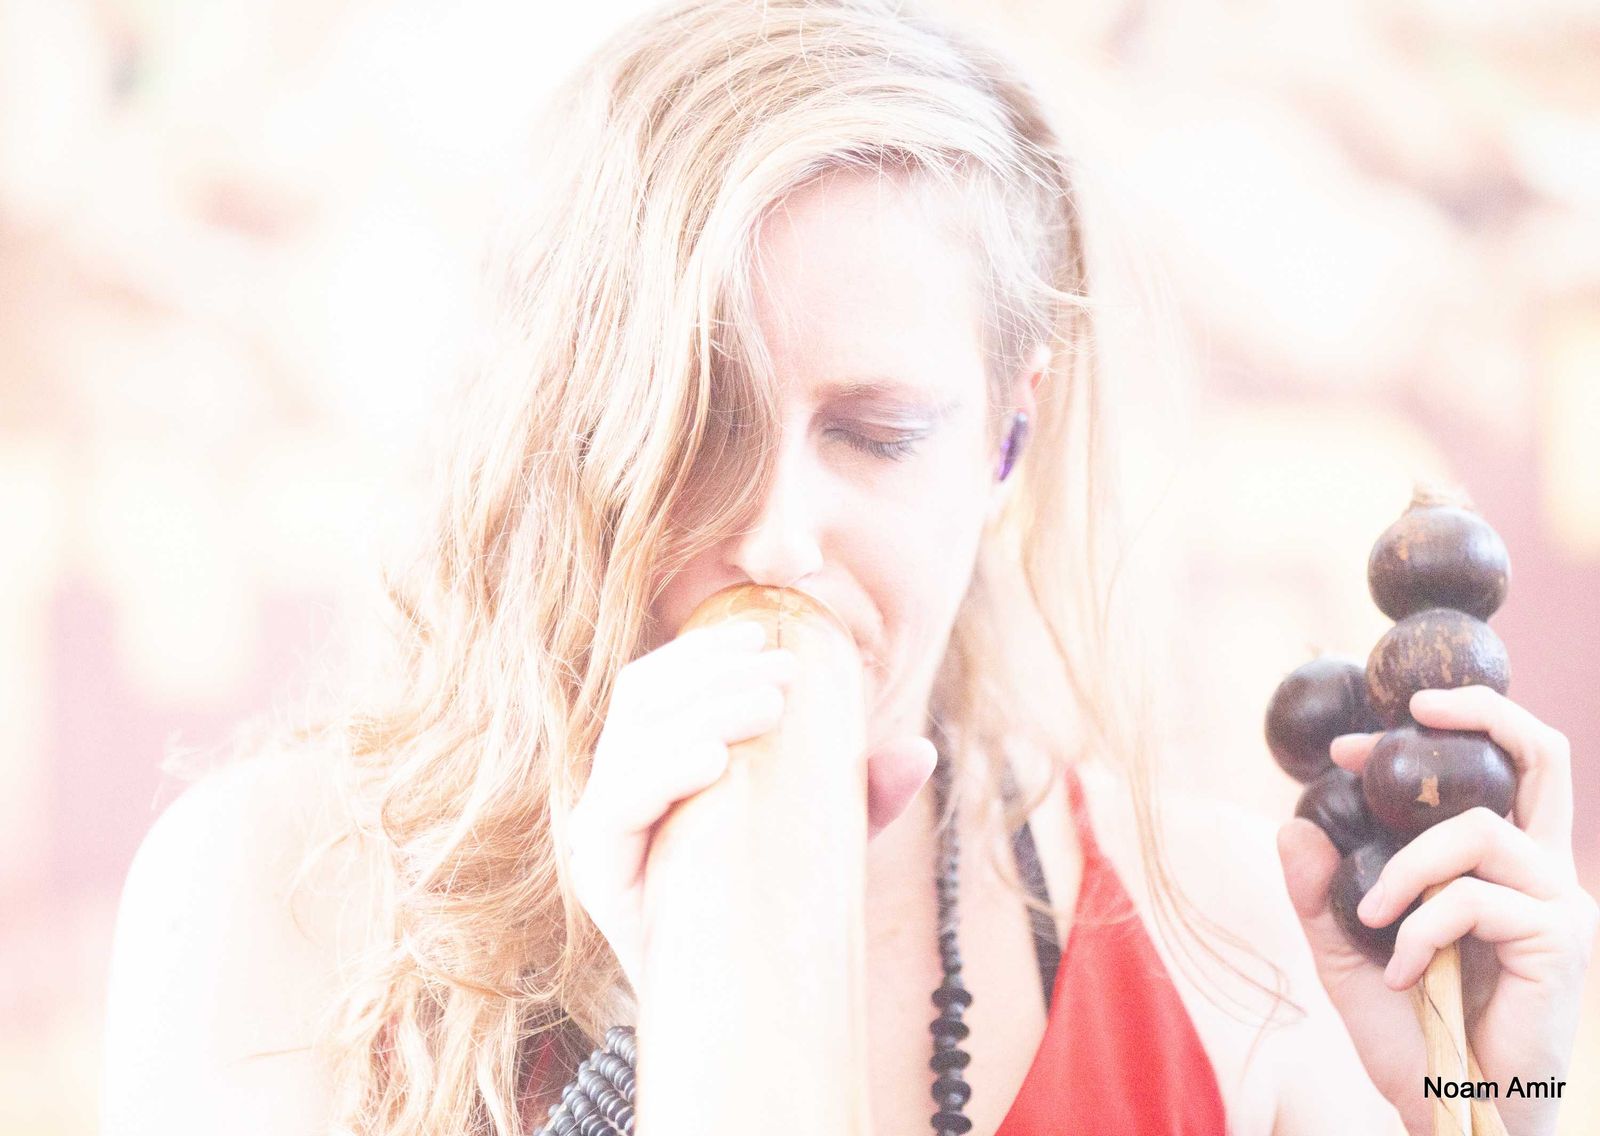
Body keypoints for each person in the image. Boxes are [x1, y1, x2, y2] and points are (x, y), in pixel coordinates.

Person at [101, 1, 1597, 1134]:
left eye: (876, 436)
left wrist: (1491, 1099)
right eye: (700, 425)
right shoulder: (279, 898)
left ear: (1006, 441)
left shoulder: (1222, 927)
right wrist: (671, 1042)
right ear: (570, 433)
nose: (776, 538)